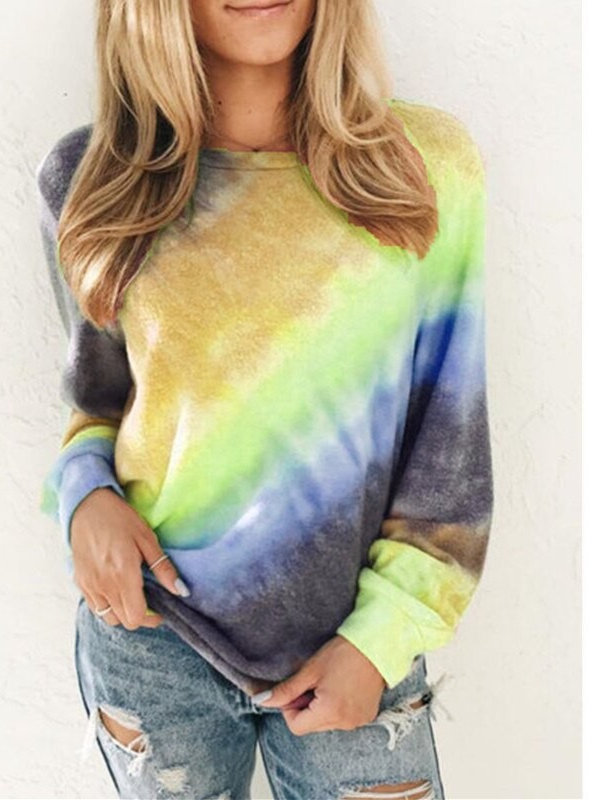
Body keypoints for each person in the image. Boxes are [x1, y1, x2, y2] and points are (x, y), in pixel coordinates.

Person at [37, 1, 493, 798]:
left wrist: (379, 641)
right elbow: (96, 404)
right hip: (150, 643)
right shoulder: (87, 180)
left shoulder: (424, 168)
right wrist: (84, 499)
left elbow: (448, 455)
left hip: (358, 646)